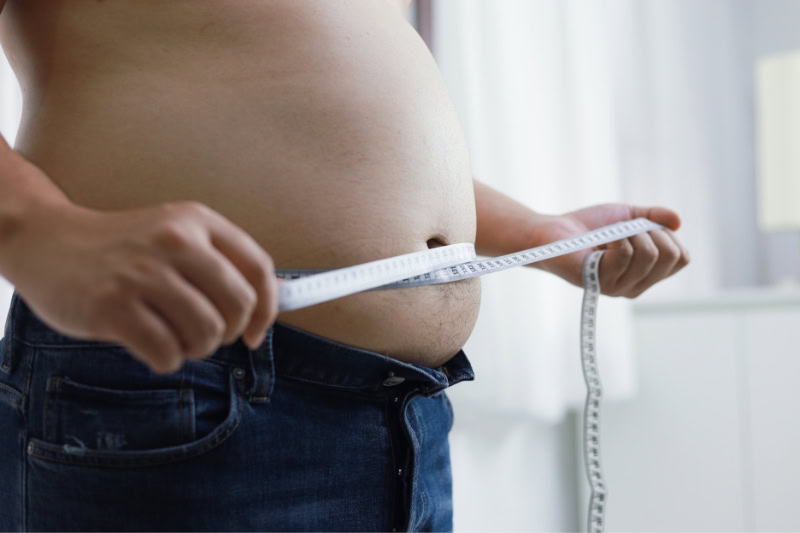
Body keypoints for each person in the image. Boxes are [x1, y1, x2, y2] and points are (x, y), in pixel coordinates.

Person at [0, 0, 689, 531]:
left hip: (407, 417)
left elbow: (307, 121)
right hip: (190, 390)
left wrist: (536, 230)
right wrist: (46, 230)